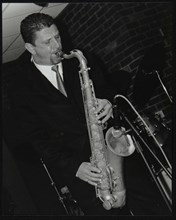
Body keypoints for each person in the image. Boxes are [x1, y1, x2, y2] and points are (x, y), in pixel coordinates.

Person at [3, 13, 131, 216]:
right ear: (30, 48)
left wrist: (108, 102)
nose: (57, 46)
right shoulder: (20, 87)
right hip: (81, 170)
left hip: (111, 149)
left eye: (57, 37)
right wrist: (74, 167)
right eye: (48, 41)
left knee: (147, 203)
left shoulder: (81, 59)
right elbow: (36, 138)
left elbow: (107, 88)